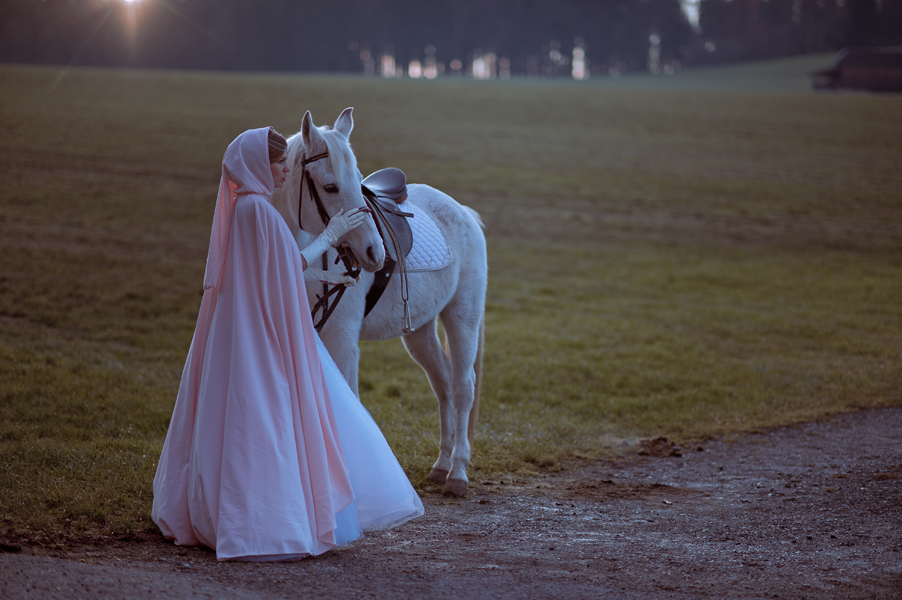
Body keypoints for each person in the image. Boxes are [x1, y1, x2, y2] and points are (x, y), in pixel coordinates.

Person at [151, 127, 423, 561]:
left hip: (243, 320)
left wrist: (324, 276)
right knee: (278, 411)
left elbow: (265, 271)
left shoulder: (241, 207)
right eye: (278, 164)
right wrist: (332, 235)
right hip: (263, 329)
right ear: (259, 165)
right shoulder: (258, 210)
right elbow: (290, 261)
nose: (283, 171)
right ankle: (276, 516)